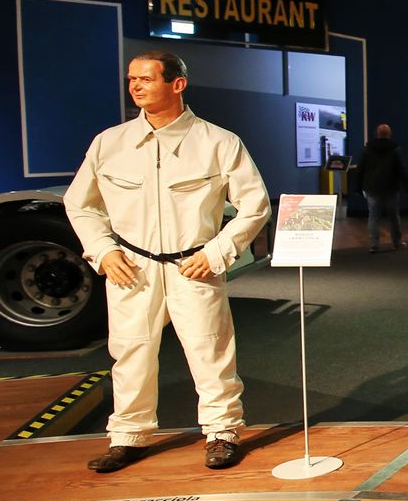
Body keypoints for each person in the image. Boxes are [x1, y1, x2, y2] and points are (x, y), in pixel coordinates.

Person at [63, 51, 271, 472]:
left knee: (210, 350)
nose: (135, 86)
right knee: (130, 353)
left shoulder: (218, 142)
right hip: (131, 268)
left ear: (177, 84)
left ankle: (222, 432)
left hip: (192, 266)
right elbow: (80, 204)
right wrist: (103, 250)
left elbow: (255, 205)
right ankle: (128, 437)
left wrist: (215, 253)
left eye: (145, 79)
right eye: (131, 79)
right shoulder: (109, 143)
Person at [356, 123, 408, 252]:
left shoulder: (367, 149)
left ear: (377, 134)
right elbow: (400, 169)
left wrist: (358, 187)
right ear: (389, 134)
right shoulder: (394, 149)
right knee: (394, 216)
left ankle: (374, 245)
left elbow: (360, 169)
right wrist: (407, 185)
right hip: (391, 187)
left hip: (372, 187)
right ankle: (397, 242)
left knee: (373, 216)